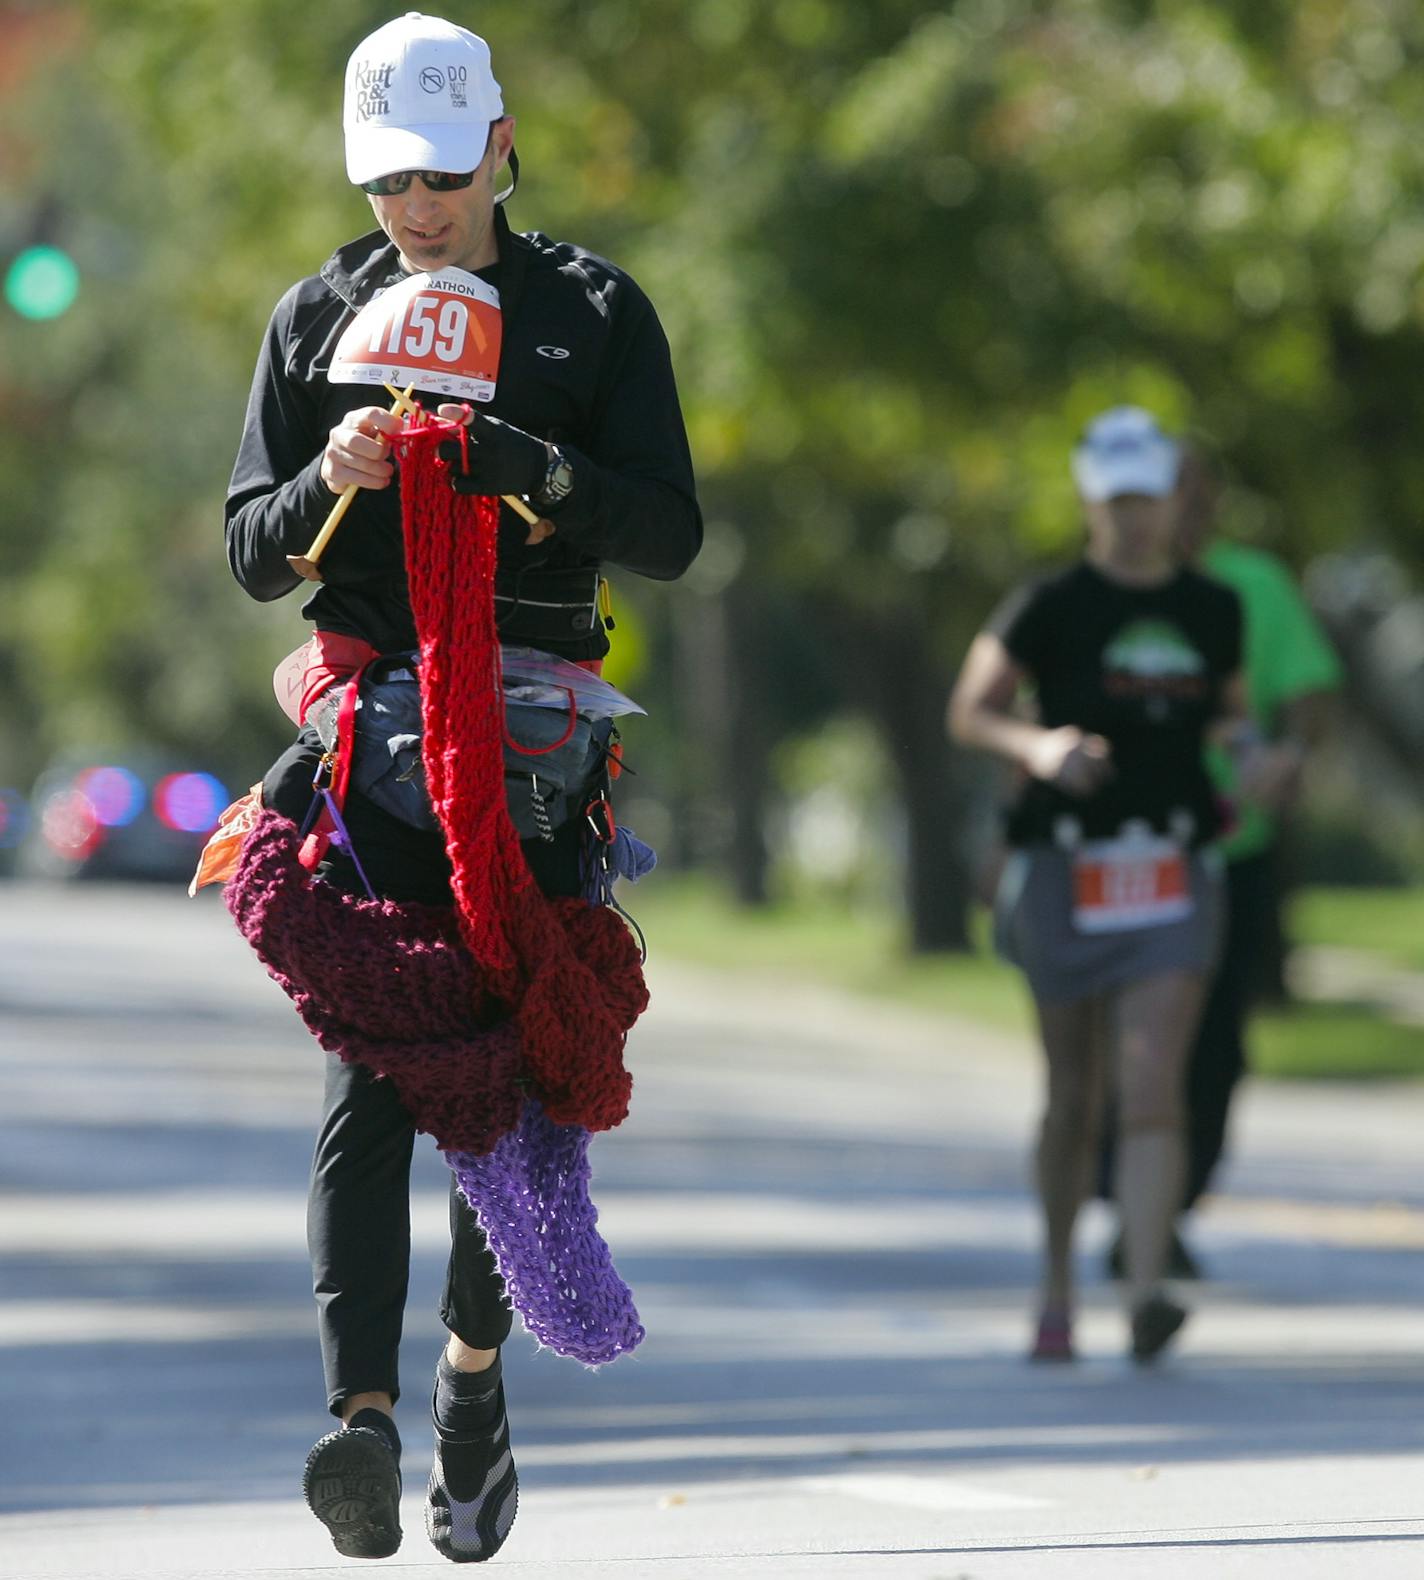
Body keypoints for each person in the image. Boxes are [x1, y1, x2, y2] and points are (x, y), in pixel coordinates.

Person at [224, 13, 700, 1563]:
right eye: (385, 183)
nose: (416, 209)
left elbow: (670, 529)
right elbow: (248, 546)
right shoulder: (317, 316)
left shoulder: (590, 311)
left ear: (500, 142)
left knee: (509, 1068)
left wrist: (530, 471)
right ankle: (358, 1417)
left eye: (440, 171)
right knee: (372, 1063)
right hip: (372, 738)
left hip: (542, 740)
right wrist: (333, 481)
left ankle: (473, 1376)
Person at [947, 406, 1293, 1365]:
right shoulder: (1048, 603)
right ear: (1092, 499)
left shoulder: (1211, 606)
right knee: (1075, 1092)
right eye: (1119, 498)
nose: (1136, 516)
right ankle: (1057, 1283)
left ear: (1174, 497)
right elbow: (972, 711)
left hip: (1176, 865)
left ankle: (1144, 1287)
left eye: (1151, 496)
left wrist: (1258, 754)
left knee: (1152, 1082)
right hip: (1065, 866)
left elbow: (1225, 718)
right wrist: (1040, 746)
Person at [1100, 446, 1342, 1277]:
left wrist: (1285, 755)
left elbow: (1307, 699)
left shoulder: (1256, 587)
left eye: (1195, 494)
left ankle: (1165, 1205)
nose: (1180, 509)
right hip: (1118, 850)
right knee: (1125, 1037)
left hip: (1224, 852)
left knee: (1215, 1047)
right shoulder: (1095, 589)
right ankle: (1130, 1198)